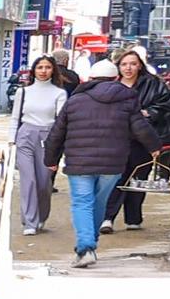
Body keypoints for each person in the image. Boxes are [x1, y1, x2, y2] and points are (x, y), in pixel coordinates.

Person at [45, 59, 160, 269]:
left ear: (89, 79)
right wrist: (154, 147)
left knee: (82, 202)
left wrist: (50, 160)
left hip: (79, 162)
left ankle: (85, 247)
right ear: (116, 78)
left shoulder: (75, 101)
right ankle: (90, 245)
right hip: (113, 162)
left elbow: (57, 133)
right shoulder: (128, 99)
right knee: (100, 202)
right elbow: (140, 127)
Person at [101, 47, 170, 230]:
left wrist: (150, 113)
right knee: (115, 178)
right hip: (116, 138)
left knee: (139, 177)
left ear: (140, 66)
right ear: (118, 66)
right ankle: (108, 217)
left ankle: (133, 218)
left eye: (133, 64)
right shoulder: (111, 85)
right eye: (124, 64)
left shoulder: (152, 83)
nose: (128, 68)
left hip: (143, 137)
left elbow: (165, 104)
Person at [10, 56, 66, 235]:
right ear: (33, 70)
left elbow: (61, 121)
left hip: (48, 137)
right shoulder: (24, 92)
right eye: (40, 67)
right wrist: (12, 140)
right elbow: (15, 117)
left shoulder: (59, 93)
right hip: (25, 135)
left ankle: (41, 216)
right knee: (28, 180)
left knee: (43, 183)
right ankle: (29, 222)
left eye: (47, 67)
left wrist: (59, 144)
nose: (43, 70)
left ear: (53, 70)